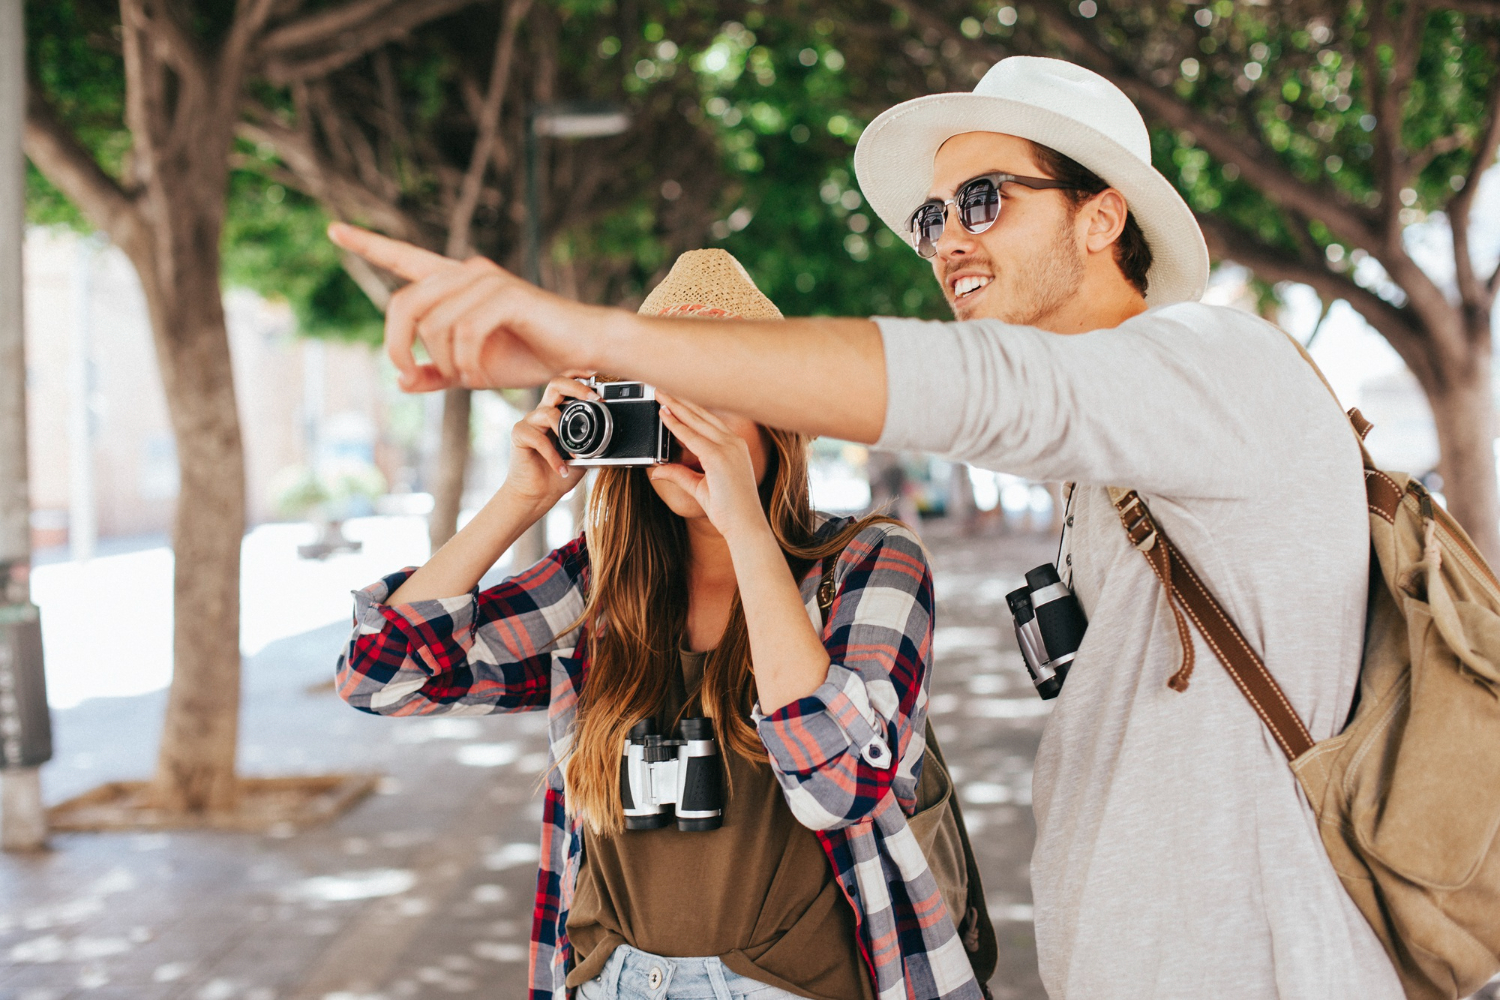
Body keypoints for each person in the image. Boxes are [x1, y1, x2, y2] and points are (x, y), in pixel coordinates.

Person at [329, 55, 1404, 1000]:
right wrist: (522, 495)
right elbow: (382, 673)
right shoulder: (1105, 480)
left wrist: (598, 335)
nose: (945, 244)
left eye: (981, 200)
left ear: (1102, 214)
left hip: (1257, 967)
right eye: (934, 218)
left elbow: (980, 395)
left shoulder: (1222, 367)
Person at [336, 250, 987, 1000]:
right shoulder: (599, 586)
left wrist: (743, 522)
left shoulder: (869, 563)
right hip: (613, 980)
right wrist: (521, 499)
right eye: (663, 397)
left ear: (782, 417)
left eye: (716, 394)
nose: (687, 423)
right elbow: (383, 677)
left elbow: (838, 787)